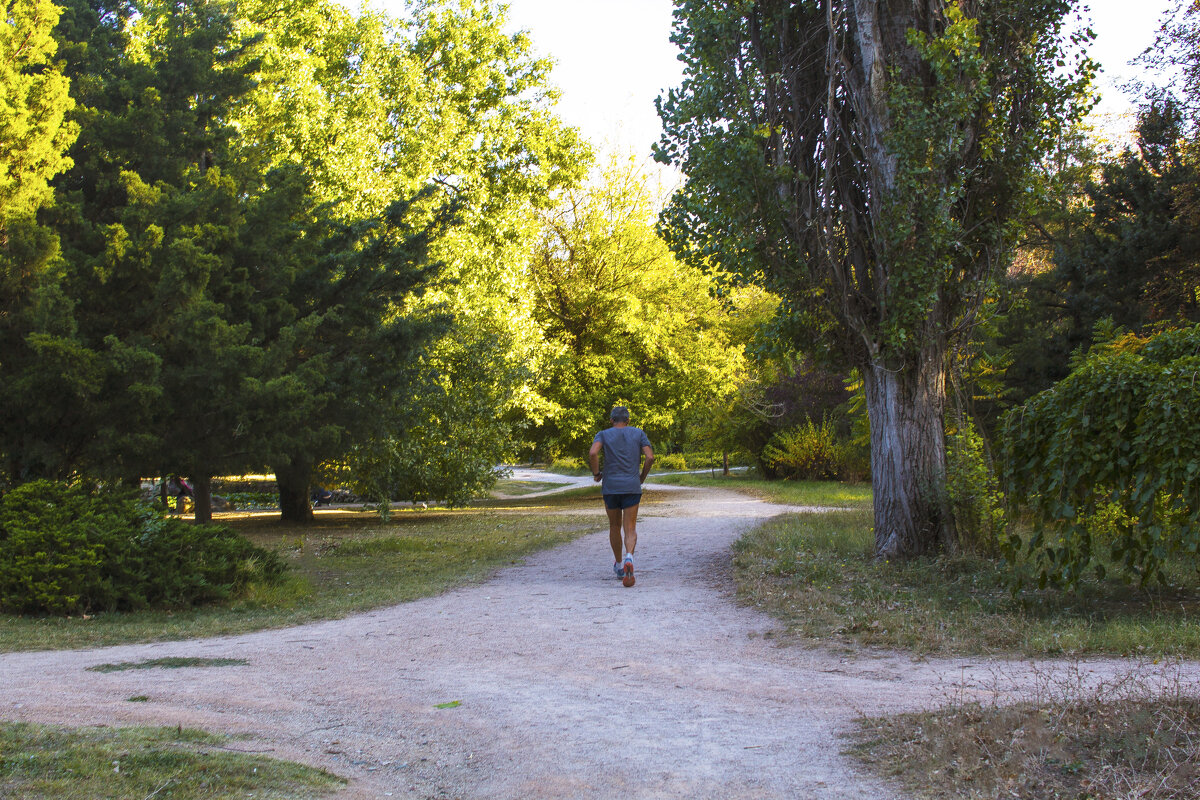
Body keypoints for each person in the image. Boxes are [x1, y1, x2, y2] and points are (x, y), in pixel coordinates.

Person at [588, 405, 654, 587]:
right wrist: (642, 476)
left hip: (611, 487)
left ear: (611, 420)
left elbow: (593, 452)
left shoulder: (602, 434)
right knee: (630, 527)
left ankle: (618, 565)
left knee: (614, 526)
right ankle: (629, 558)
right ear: (628, 420)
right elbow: (650, 457)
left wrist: (596, 473)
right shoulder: (639, 433)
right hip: (632, 486)